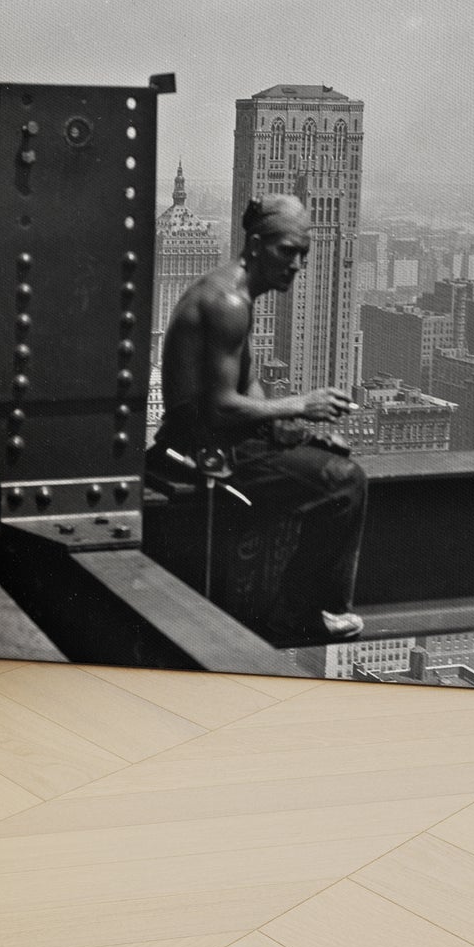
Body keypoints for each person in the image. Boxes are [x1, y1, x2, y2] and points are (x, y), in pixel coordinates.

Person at [147, 193, 367, 643]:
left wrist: (291, 433)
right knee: (345, 482)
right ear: (254, 243)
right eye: (287, 251)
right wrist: (300, 405)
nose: (297, 265)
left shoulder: (236, 293)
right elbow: (218, 406)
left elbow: (244, 390)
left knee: (324, 462)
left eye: (303, 254)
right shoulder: (228, 302)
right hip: (202, 448)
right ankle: (305, 612)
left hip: (214, 441)